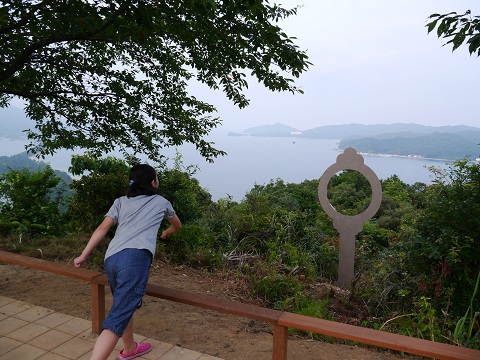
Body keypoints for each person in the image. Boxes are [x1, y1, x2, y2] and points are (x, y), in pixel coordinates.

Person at [74, 164, 182, 360]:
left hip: (112, 258)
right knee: (116, 320)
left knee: (123, 305)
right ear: (153, 182)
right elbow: (177, 224)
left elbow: (102, 228)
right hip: (135, 259)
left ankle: (130, 348)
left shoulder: (120, 202)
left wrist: (83, 255)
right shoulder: (160, 202)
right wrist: (166, 233)